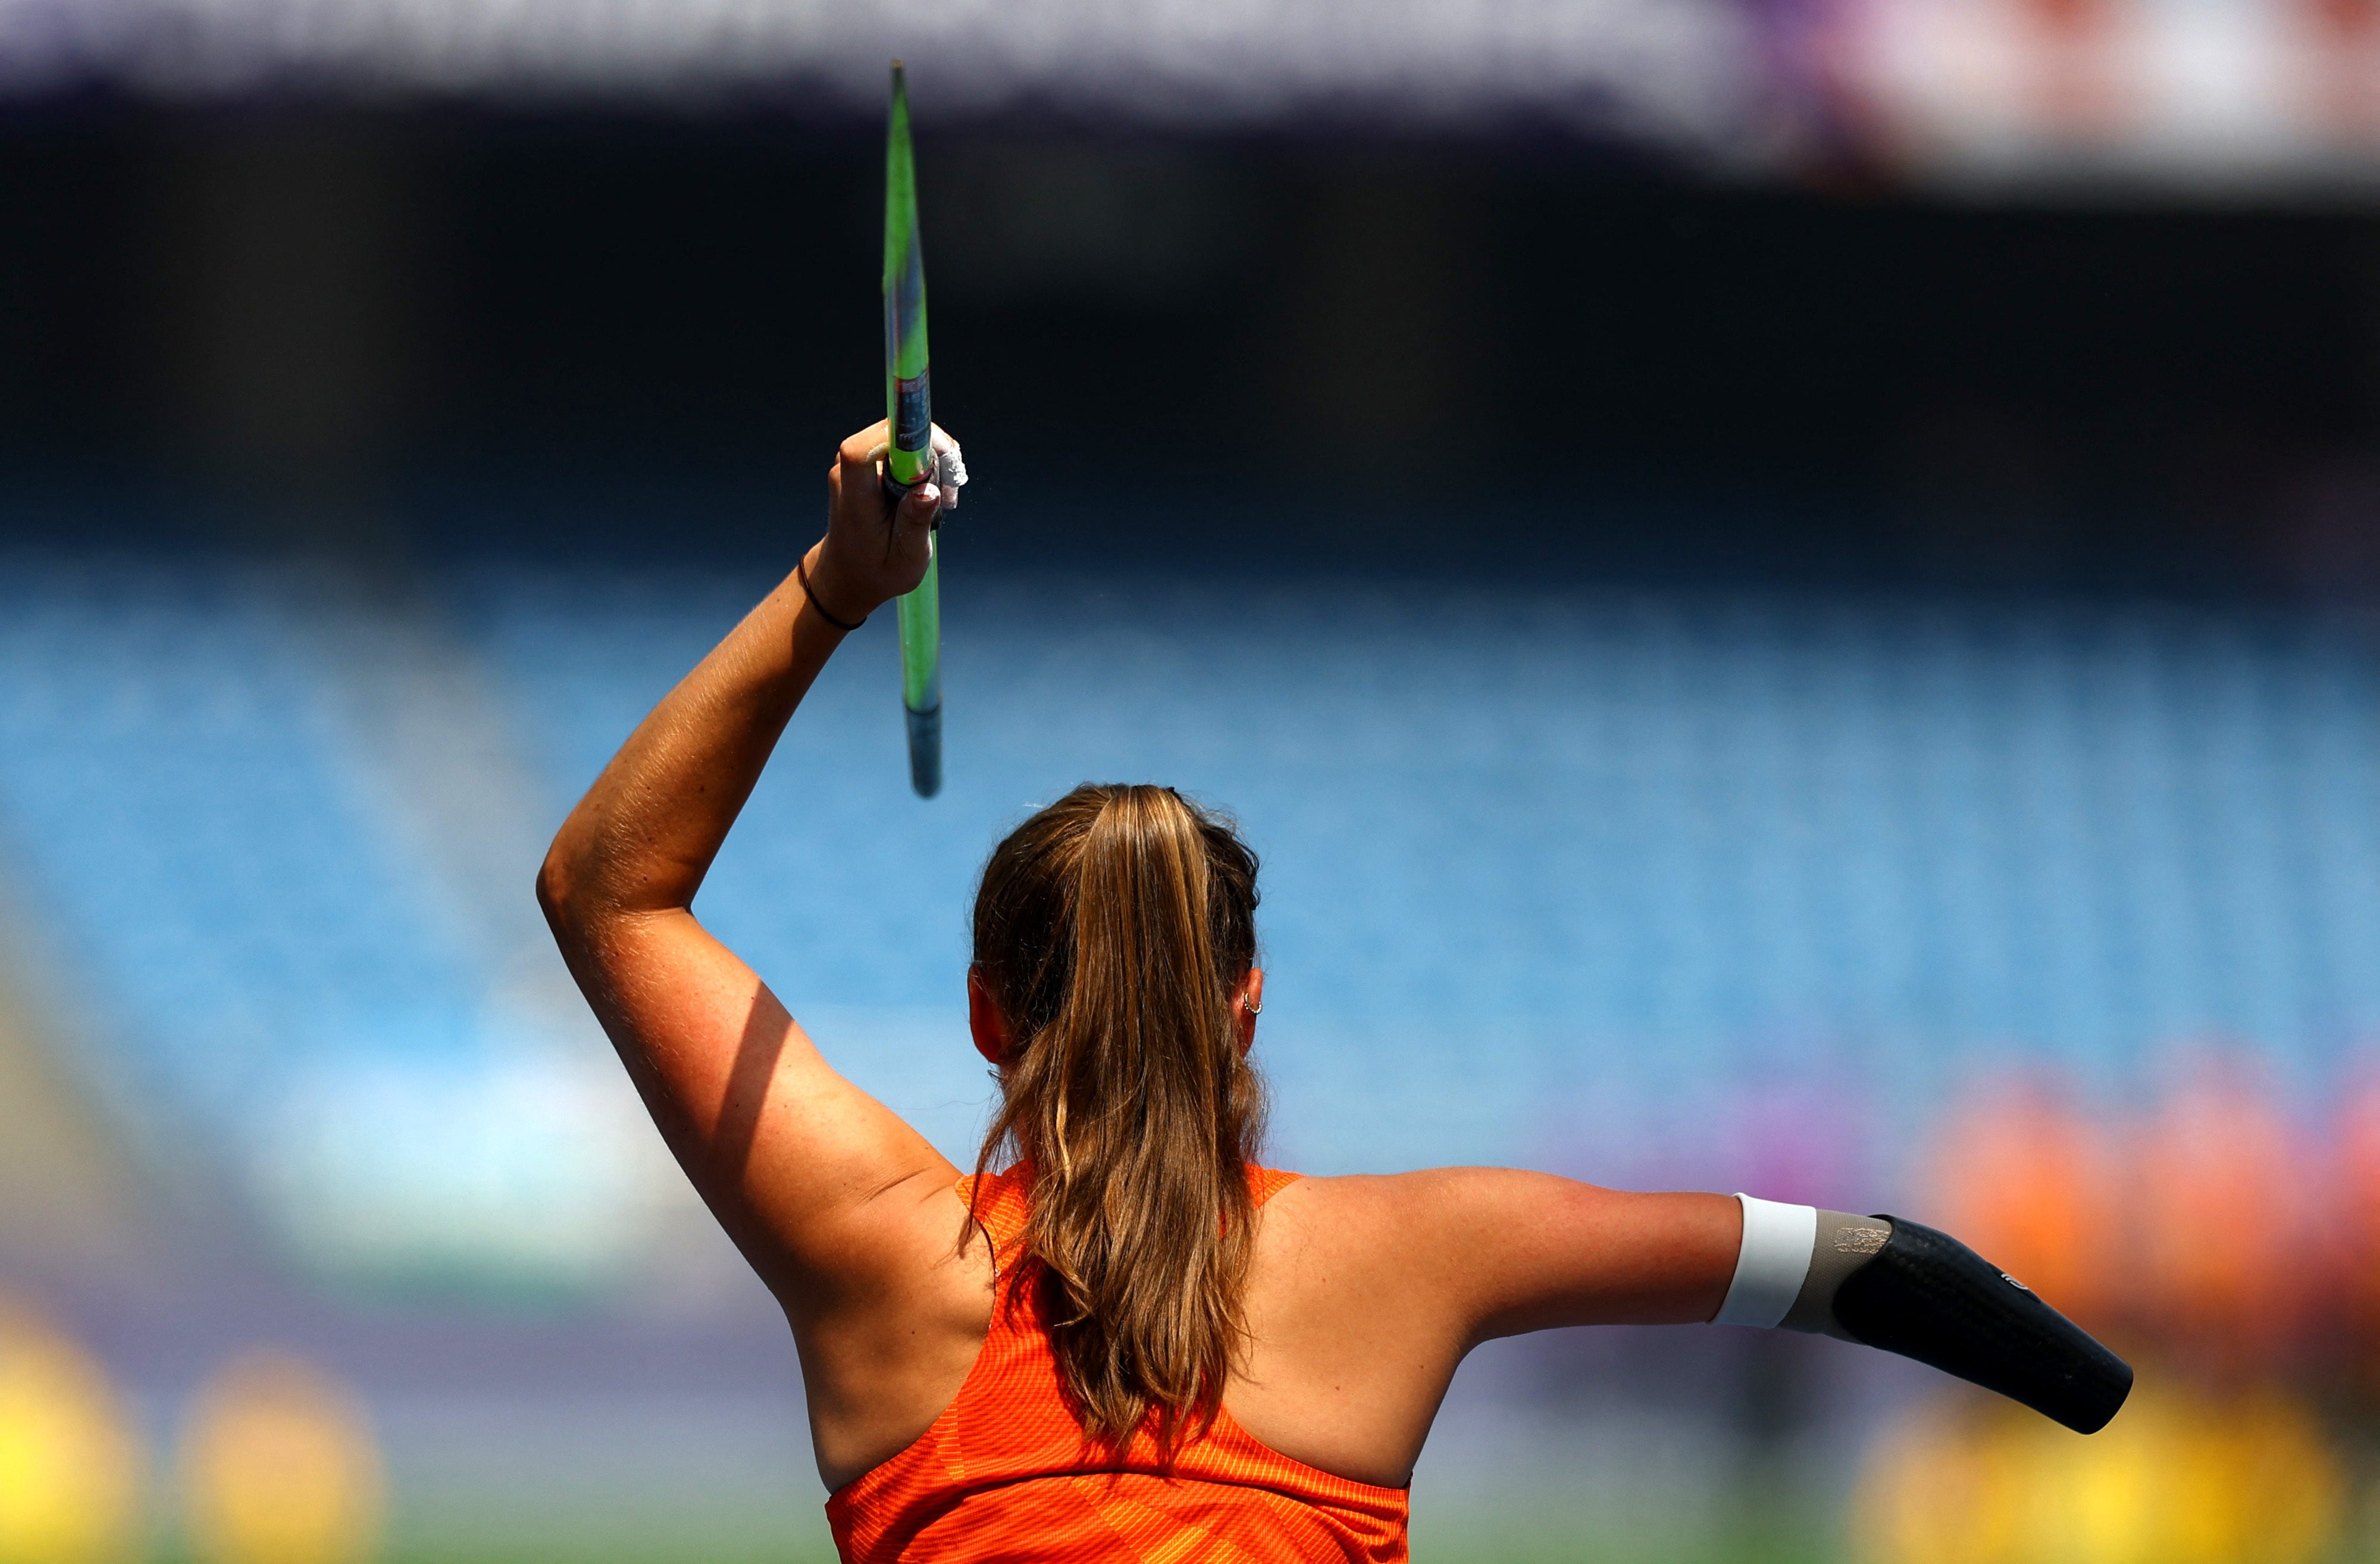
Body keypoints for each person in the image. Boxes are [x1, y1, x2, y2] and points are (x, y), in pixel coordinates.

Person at [538, 422, 2129, 1564]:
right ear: (1244, 1007)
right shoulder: (1426, 1253)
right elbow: (1862, 1263)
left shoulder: (882, 1249)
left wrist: (837, 583)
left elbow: (607, 889)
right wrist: (2089, 1389)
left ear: (986, 1019)